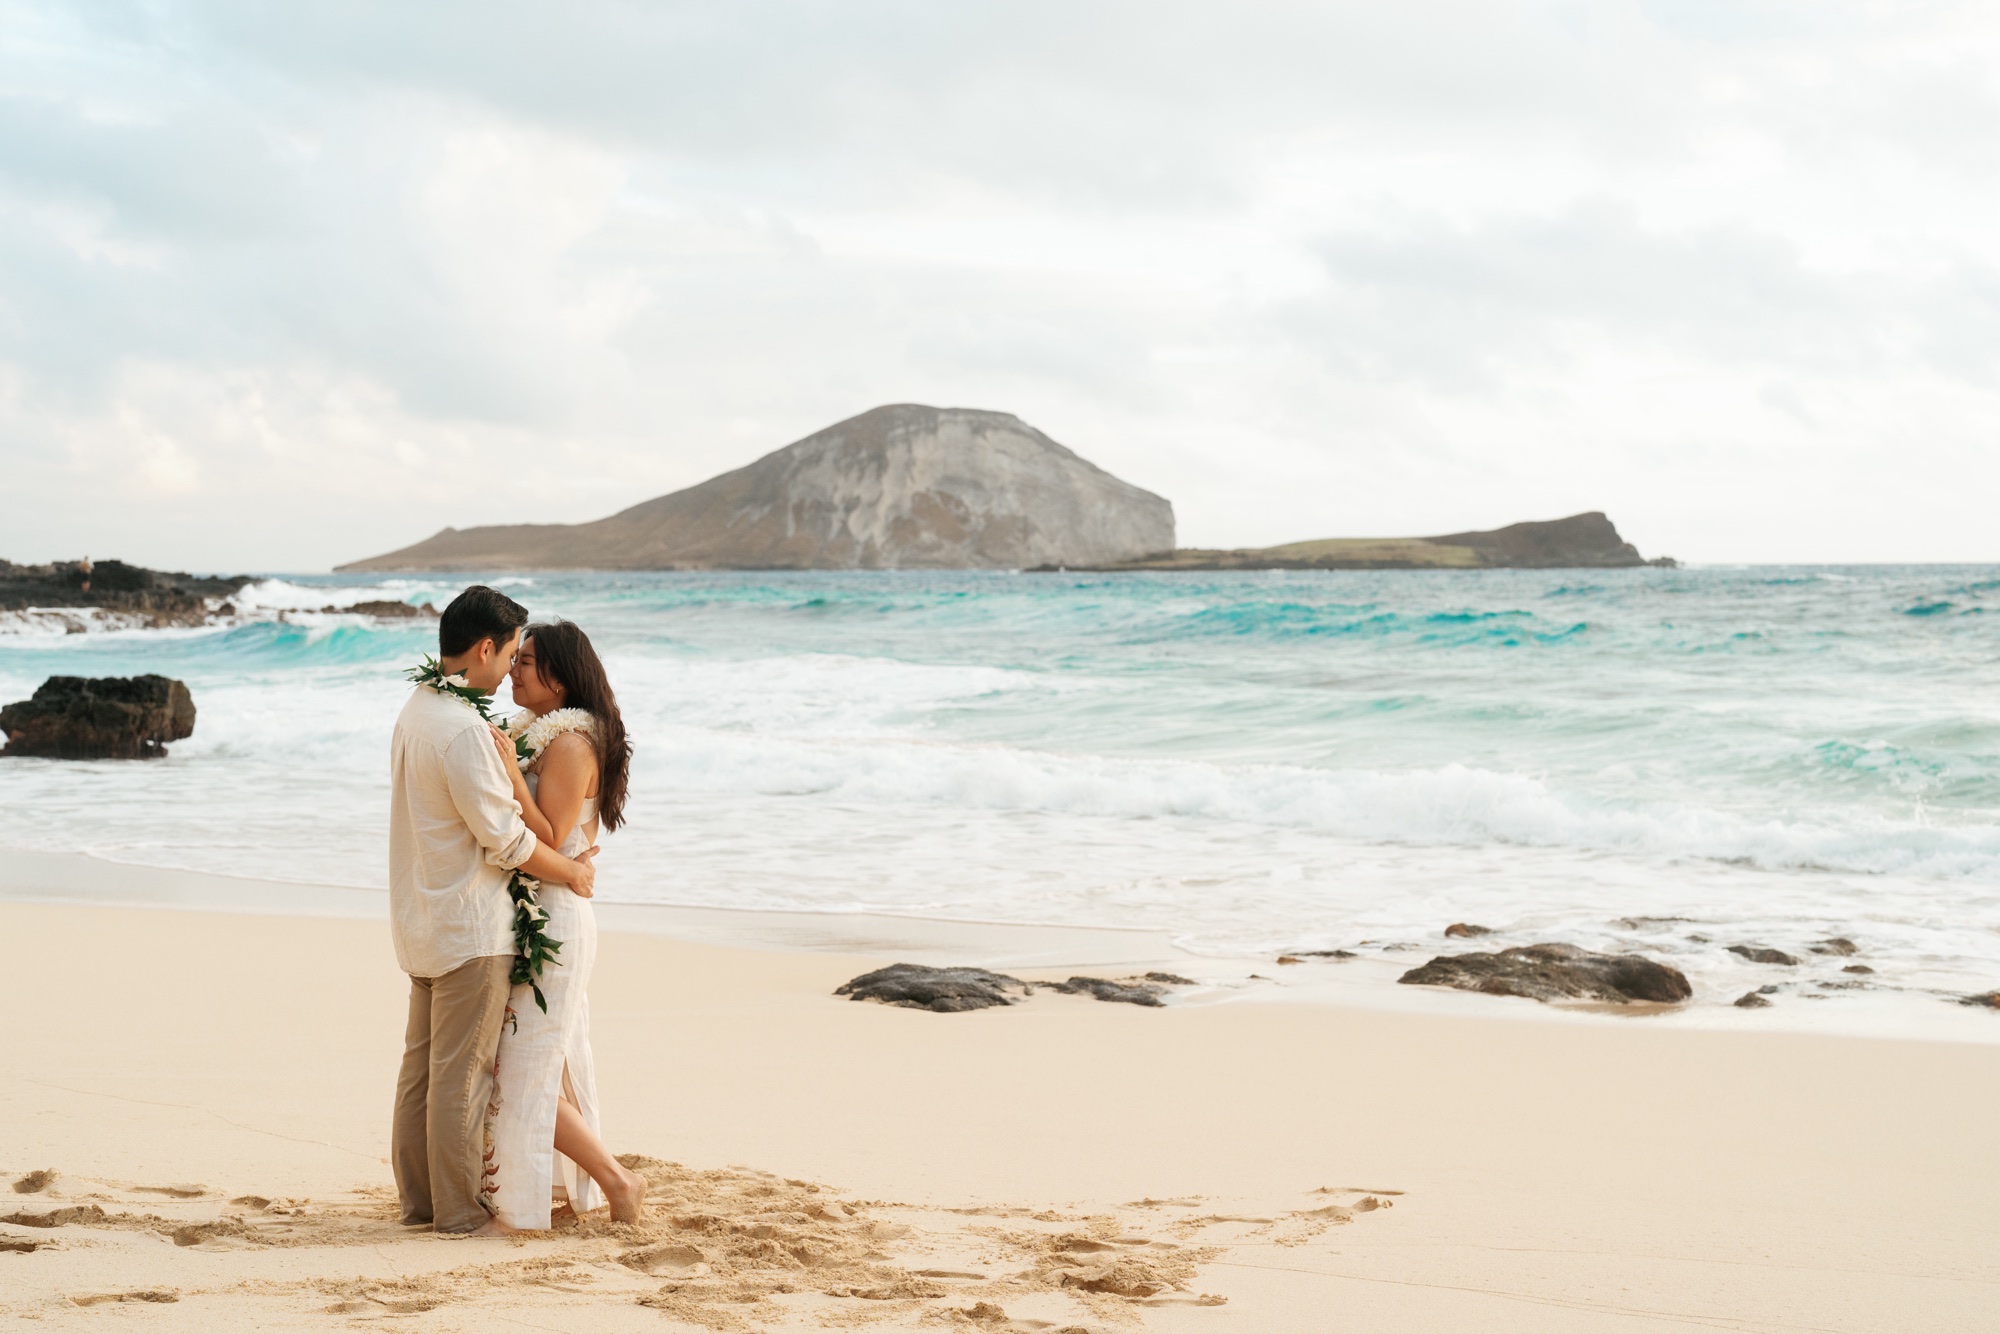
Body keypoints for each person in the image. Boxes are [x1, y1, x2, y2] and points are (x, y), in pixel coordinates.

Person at [388, 586, 599, 1235]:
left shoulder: (418, 710)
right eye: (511, 653)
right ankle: (455, 1213)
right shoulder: (466, 731)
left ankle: (422, 1202)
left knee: (423, 1071)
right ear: (484, 647)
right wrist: (575, 873)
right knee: (464, 1076)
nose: (510, 667)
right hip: (471, 927)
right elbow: (508, 840)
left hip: (424, 916)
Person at [477, 620, 645, 1231]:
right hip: (535, 906)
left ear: (561, 677)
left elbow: (547, 834)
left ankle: (617, 1180)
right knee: (543, 1059)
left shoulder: (572, 743)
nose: (514, 670)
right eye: (515, 658)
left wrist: (505, 769)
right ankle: (593, 1184)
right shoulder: (536, 734)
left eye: (527, 662)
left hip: (557, 918)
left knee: (525, 1064)